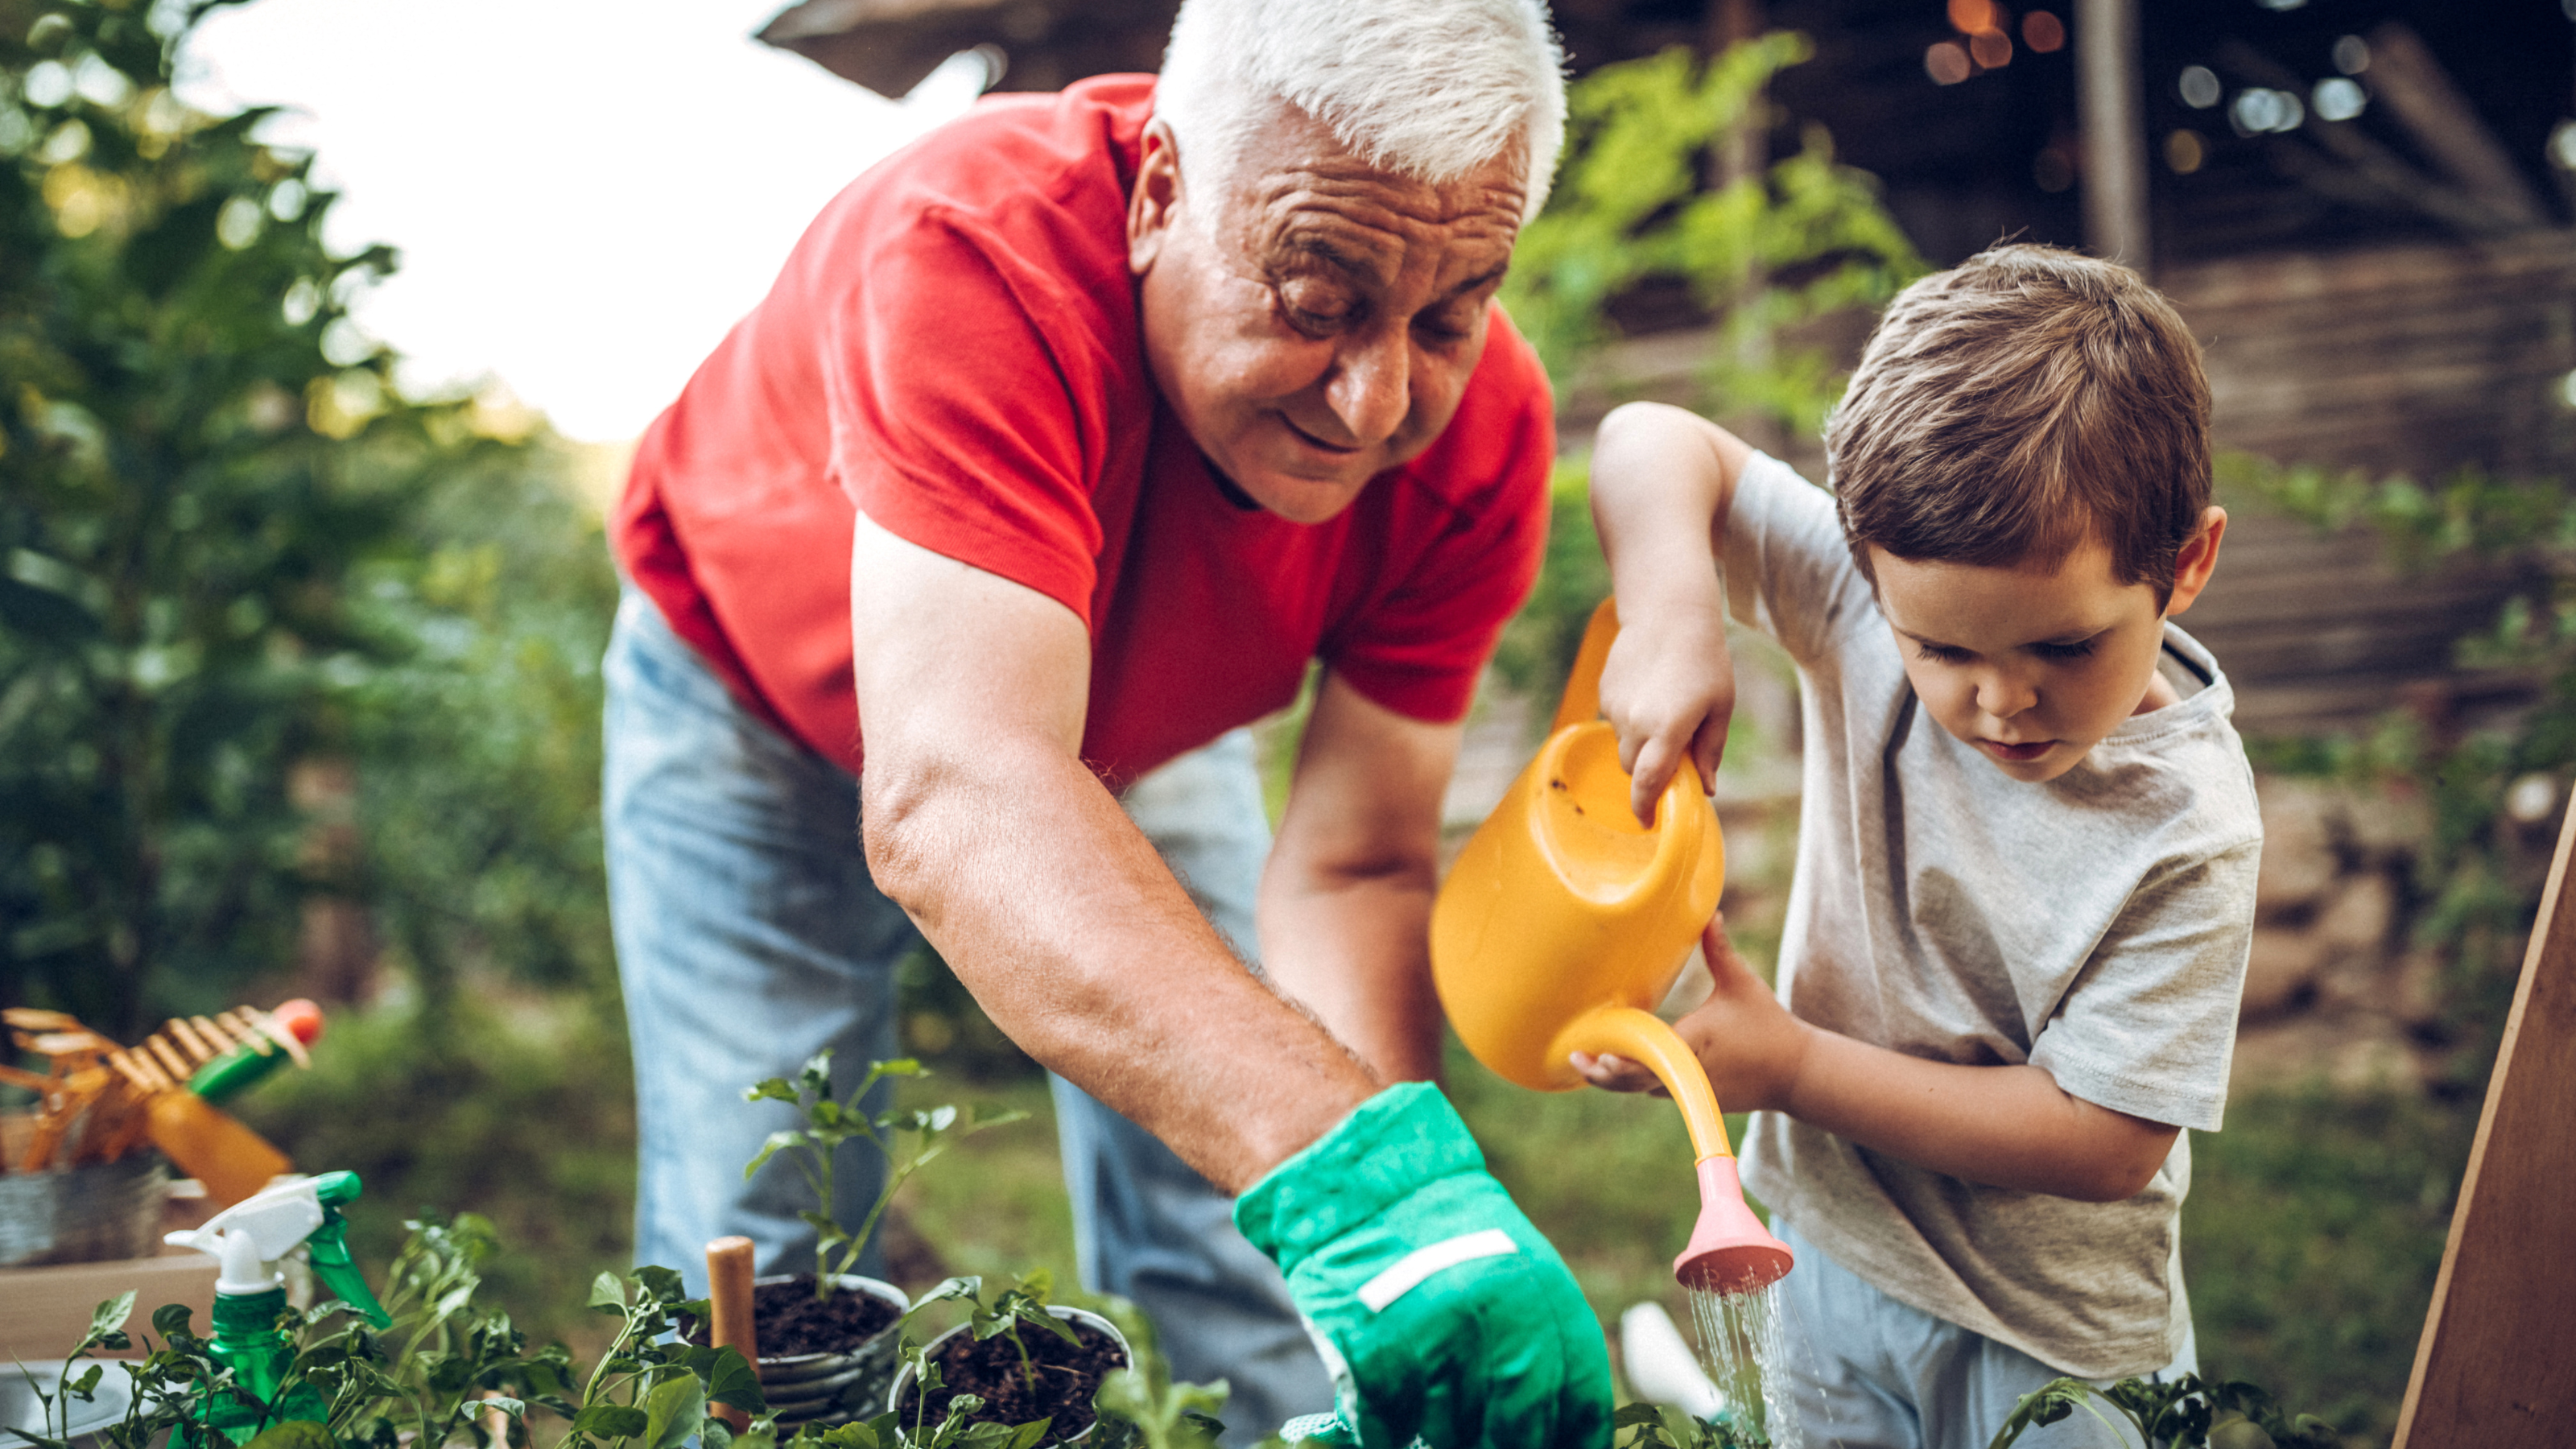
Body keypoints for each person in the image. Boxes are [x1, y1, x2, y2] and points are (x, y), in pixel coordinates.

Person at [601, 0, 1610, 1443]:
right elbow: (961, 794)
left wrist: (1411, 1221)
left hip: (1132, 727)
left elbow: (1358, 866)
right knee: (766, 1235)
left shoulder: (1481, 439)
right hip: (749, 697)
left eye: (1445, 316)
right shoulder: (974, 250)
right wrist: (1348, 1169)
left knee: (1254, 1217)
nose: (1375, 399)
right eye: (1316, 300)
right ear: (1159, 196)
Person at [1575, 245, 2260, 1448]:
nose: (2001, 702)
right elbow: (1645, 439)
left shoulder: (2186, 826)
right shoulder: (1856, 602)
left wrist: (1790, 1069)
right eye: (1943, 652)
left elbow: (2103, 1140)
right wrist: (1675, 614)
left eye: (2062, 648)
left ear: (2186, 566)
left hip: (2055, 1343)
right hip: (1828, 1258)